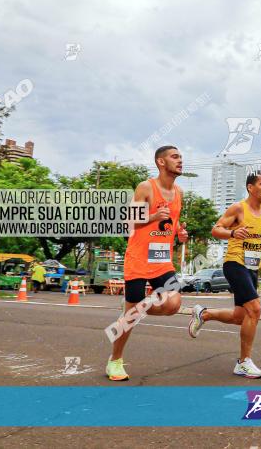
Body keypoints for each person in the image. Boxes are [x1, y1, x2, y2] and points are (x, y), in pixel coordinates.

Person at [106, 145, 188, 381]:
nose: (180, 160)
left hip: (162, 260)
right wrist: (152, 216)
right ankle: (115, 361)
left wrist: (179, 236)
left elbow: (171, 226)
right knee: (130, 317)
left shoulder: (179, 192)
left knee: (173, 304)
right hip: (139, 259)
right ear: (161, 162)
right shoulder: (146, 188)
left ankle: (135, 308)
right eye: (175, 157)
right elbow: (127, 224)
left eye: (181, 157)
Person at [188, 171, 261, 378]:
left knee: (240, 317)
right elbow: (216, 229)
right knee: (255, 309)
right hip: (235, 264)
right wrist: (233, 233)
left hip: (252, 267)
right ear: (250, 187)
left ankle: (204, 314)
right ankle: (243, 362)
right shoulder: (238, 208)